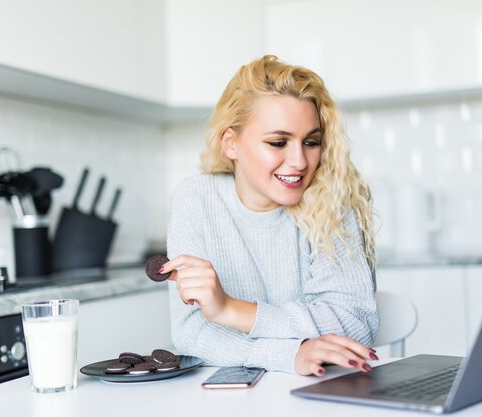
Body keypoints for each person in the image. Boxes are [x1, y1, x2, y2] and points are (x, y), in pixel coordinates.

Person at [157, 55, 380, 376]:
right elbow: (191, 333)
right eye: (278, 142)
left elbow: (356, 325)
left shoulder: (329, 200)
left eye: (311, 142)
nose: (300, 161)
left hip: (322, 388)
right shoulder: (197, 198)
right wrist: (289, 354)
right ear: (231, 143)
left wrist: (230, 310)